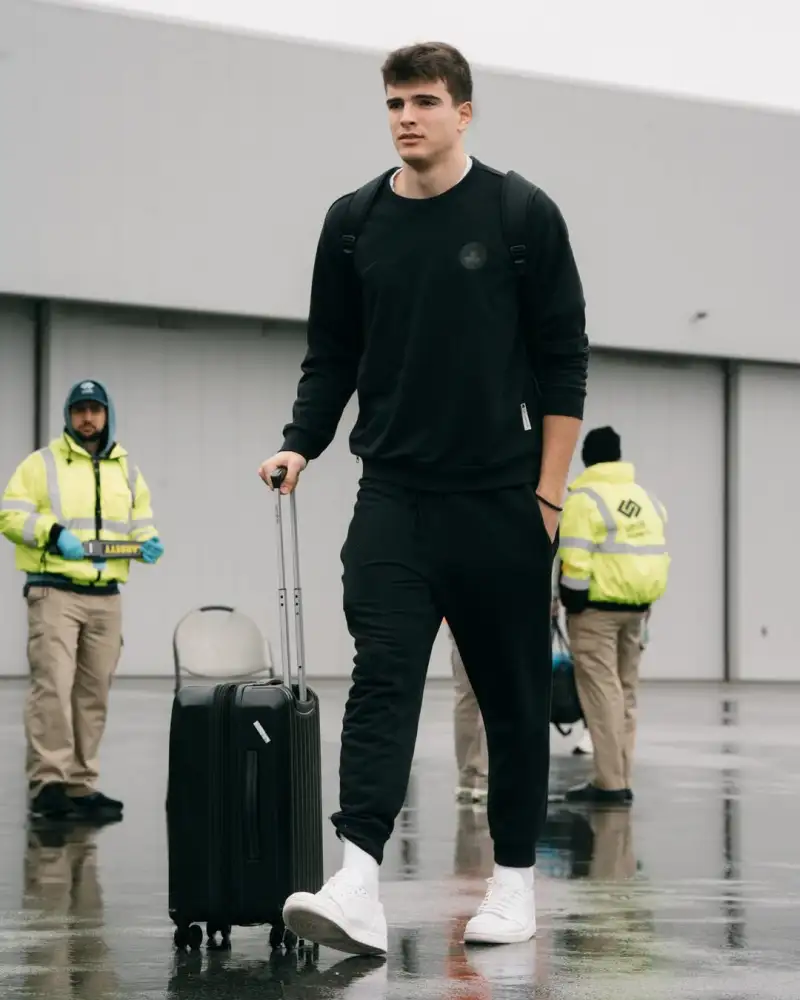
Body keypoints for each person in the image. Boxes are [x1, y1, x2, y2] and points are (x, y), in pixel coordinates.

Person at [259, 41, 588, 954]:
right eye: (396, 102)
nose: (407, 116)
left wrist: (549, 499)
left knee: (513, 698)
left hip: (499, 500)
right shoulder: (354, 223)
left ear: (464, 112)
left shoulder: (522, 214)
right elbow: (333, 355)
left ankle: (513, 884)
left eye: (425, 101)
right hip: (392, 495)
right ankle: (357, 877)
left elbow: (565, 362)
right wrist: (300, 443)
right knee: (382, 679)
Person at [0, 379, 164, 821]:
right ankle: (48, 783)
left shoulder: (126, 470)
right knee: (52, 687)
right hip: (55, 590)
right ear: (68, 416)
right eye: (79, 411)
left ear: (107, 414)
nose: (87, 418)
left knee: (94, 693)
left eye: (95, 410)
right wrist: (54, 535)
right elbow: (10, 515)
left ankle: (80, 784)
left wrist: (147, 542)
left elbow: (139, 521)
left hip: (106, 596)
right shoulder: (41, 464)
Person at [557, 426, 669, 805]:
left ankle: (610, 783)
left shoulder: (583, 499)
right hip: (637, 611)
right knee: (626, 693)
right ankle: (620, 775)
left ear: (586, 458)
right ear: (618, 457)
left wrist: (570, 603)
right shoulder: (646, 498)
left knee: (602, 693)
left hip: (595, 612)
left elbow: (574, 558)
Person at [449, 625, 489, 805]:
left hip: (460, 611)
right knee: (496, 694)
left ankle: (467, 777)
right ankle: (486, 777)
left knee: (465, 695)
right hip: (499, 609)